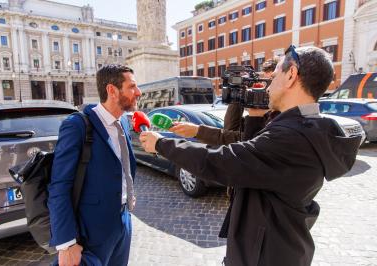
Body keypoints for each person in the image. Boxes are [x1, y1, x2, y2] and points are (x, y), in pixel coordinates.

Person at [139, 46, 361, 266]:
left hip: (265, 255)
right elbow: (257, 163)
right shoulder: (305, 127)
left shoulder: (291, 136)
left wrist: (161, 143)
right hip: (277, 245)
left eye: (273, 77)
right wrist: (255, 117)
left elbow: (225, 161)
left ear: (291, 75)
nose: (268, 86)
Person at [48, 64, 142, 266]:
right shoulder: (77, 125)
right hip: (91, 233)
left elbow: (124, 167)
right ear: (112, 91)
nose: (138, 92)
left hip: (123, 223)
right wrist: (66, 243)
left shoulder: (123, 122)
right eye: (132, 87)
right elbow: (59, 185)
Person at [169, 58, 279, 145]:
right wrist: (239, 93)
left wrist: (197, 131)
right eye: (264, 83)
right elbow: (231, 132)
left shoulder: (283, 120)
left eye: (270, 82)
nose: (267, 89)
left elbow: (249, 145)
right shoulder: (264, 115)